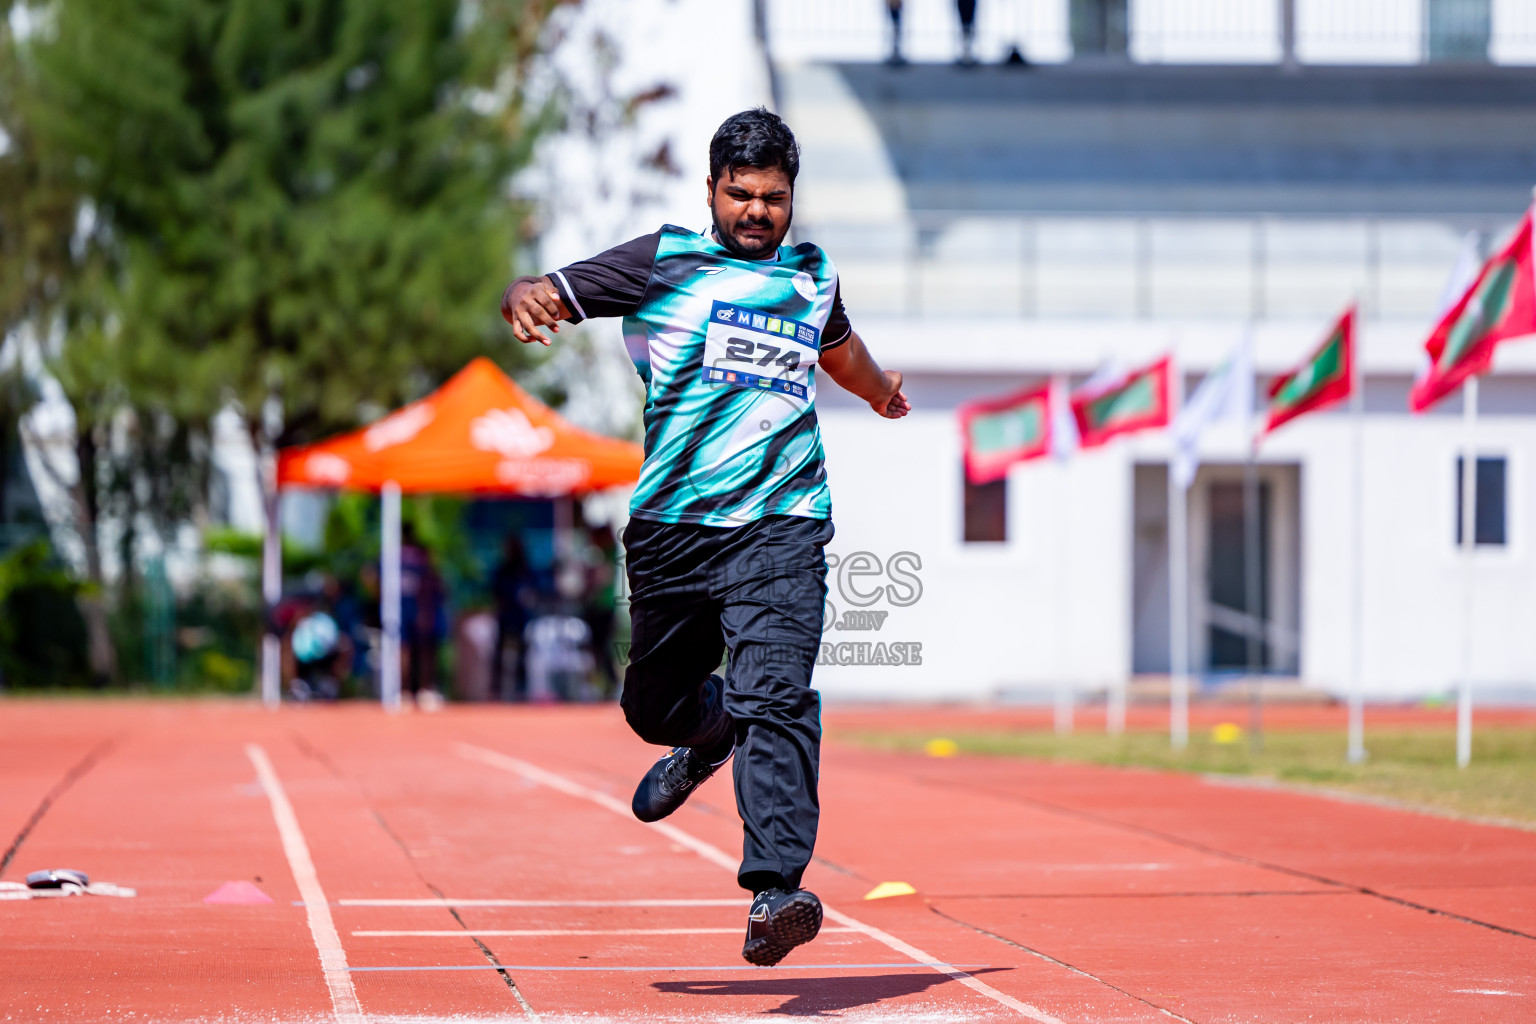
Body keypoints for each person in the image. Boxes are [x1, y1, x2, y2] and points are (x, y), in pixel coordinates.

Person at [500, 108, 909, 967]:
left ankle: (776, 890)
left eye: (774, 198)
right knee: (653, 709)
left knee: (778, 694)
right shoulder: (666, 261)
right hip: (673, 531)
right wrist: (526, 294)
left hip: (784, 523)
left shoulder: (812, 275)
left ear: (792, 198)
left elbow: (839, 352)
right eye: (741, 195)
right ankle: (705, 732)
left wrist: (878, 393)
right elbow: (556, 289)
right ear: (712, 189)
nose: (758, 212)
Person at [491, 531, 535, 700]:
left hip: (521, 617)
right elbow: (496, 593)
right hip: (506, 615)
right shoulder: (502, 570)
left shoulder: (525, 569)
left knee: (523, 654)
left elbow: (533, 592)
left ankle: (521, 689)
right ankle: (497, 689)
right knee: (500, 653)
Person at [886, 0, 905, 65]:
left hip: (895, 12)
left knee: (896, 30)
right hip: (893, 12)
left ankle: (896, 51)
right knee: (895, 30)